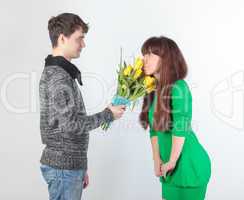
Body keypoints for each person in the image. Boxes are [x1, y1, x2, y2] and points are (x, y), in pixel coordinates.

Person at [39, 13, 125, 200]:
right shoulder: (58, 76)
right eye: (80, 39)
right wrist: (108, 114)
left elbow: (66, 125)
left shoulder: (61, 73)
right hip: (64, 168)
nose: (83, 44)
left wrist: (80, 167)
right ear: (62, 38)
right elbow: (70, 125)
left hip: (68, 167)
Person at [139, 36, 211, 200]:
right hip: (169, 170)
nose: (145, 59)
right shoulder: (155, 90)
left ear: (166, 59)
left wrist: (171, 161)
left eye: (151, 54)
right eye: (144, 54)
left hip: (188, 168)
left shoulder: (178, 87)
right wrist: (156, 160)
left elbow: (181, 125)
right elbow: (154, 130)